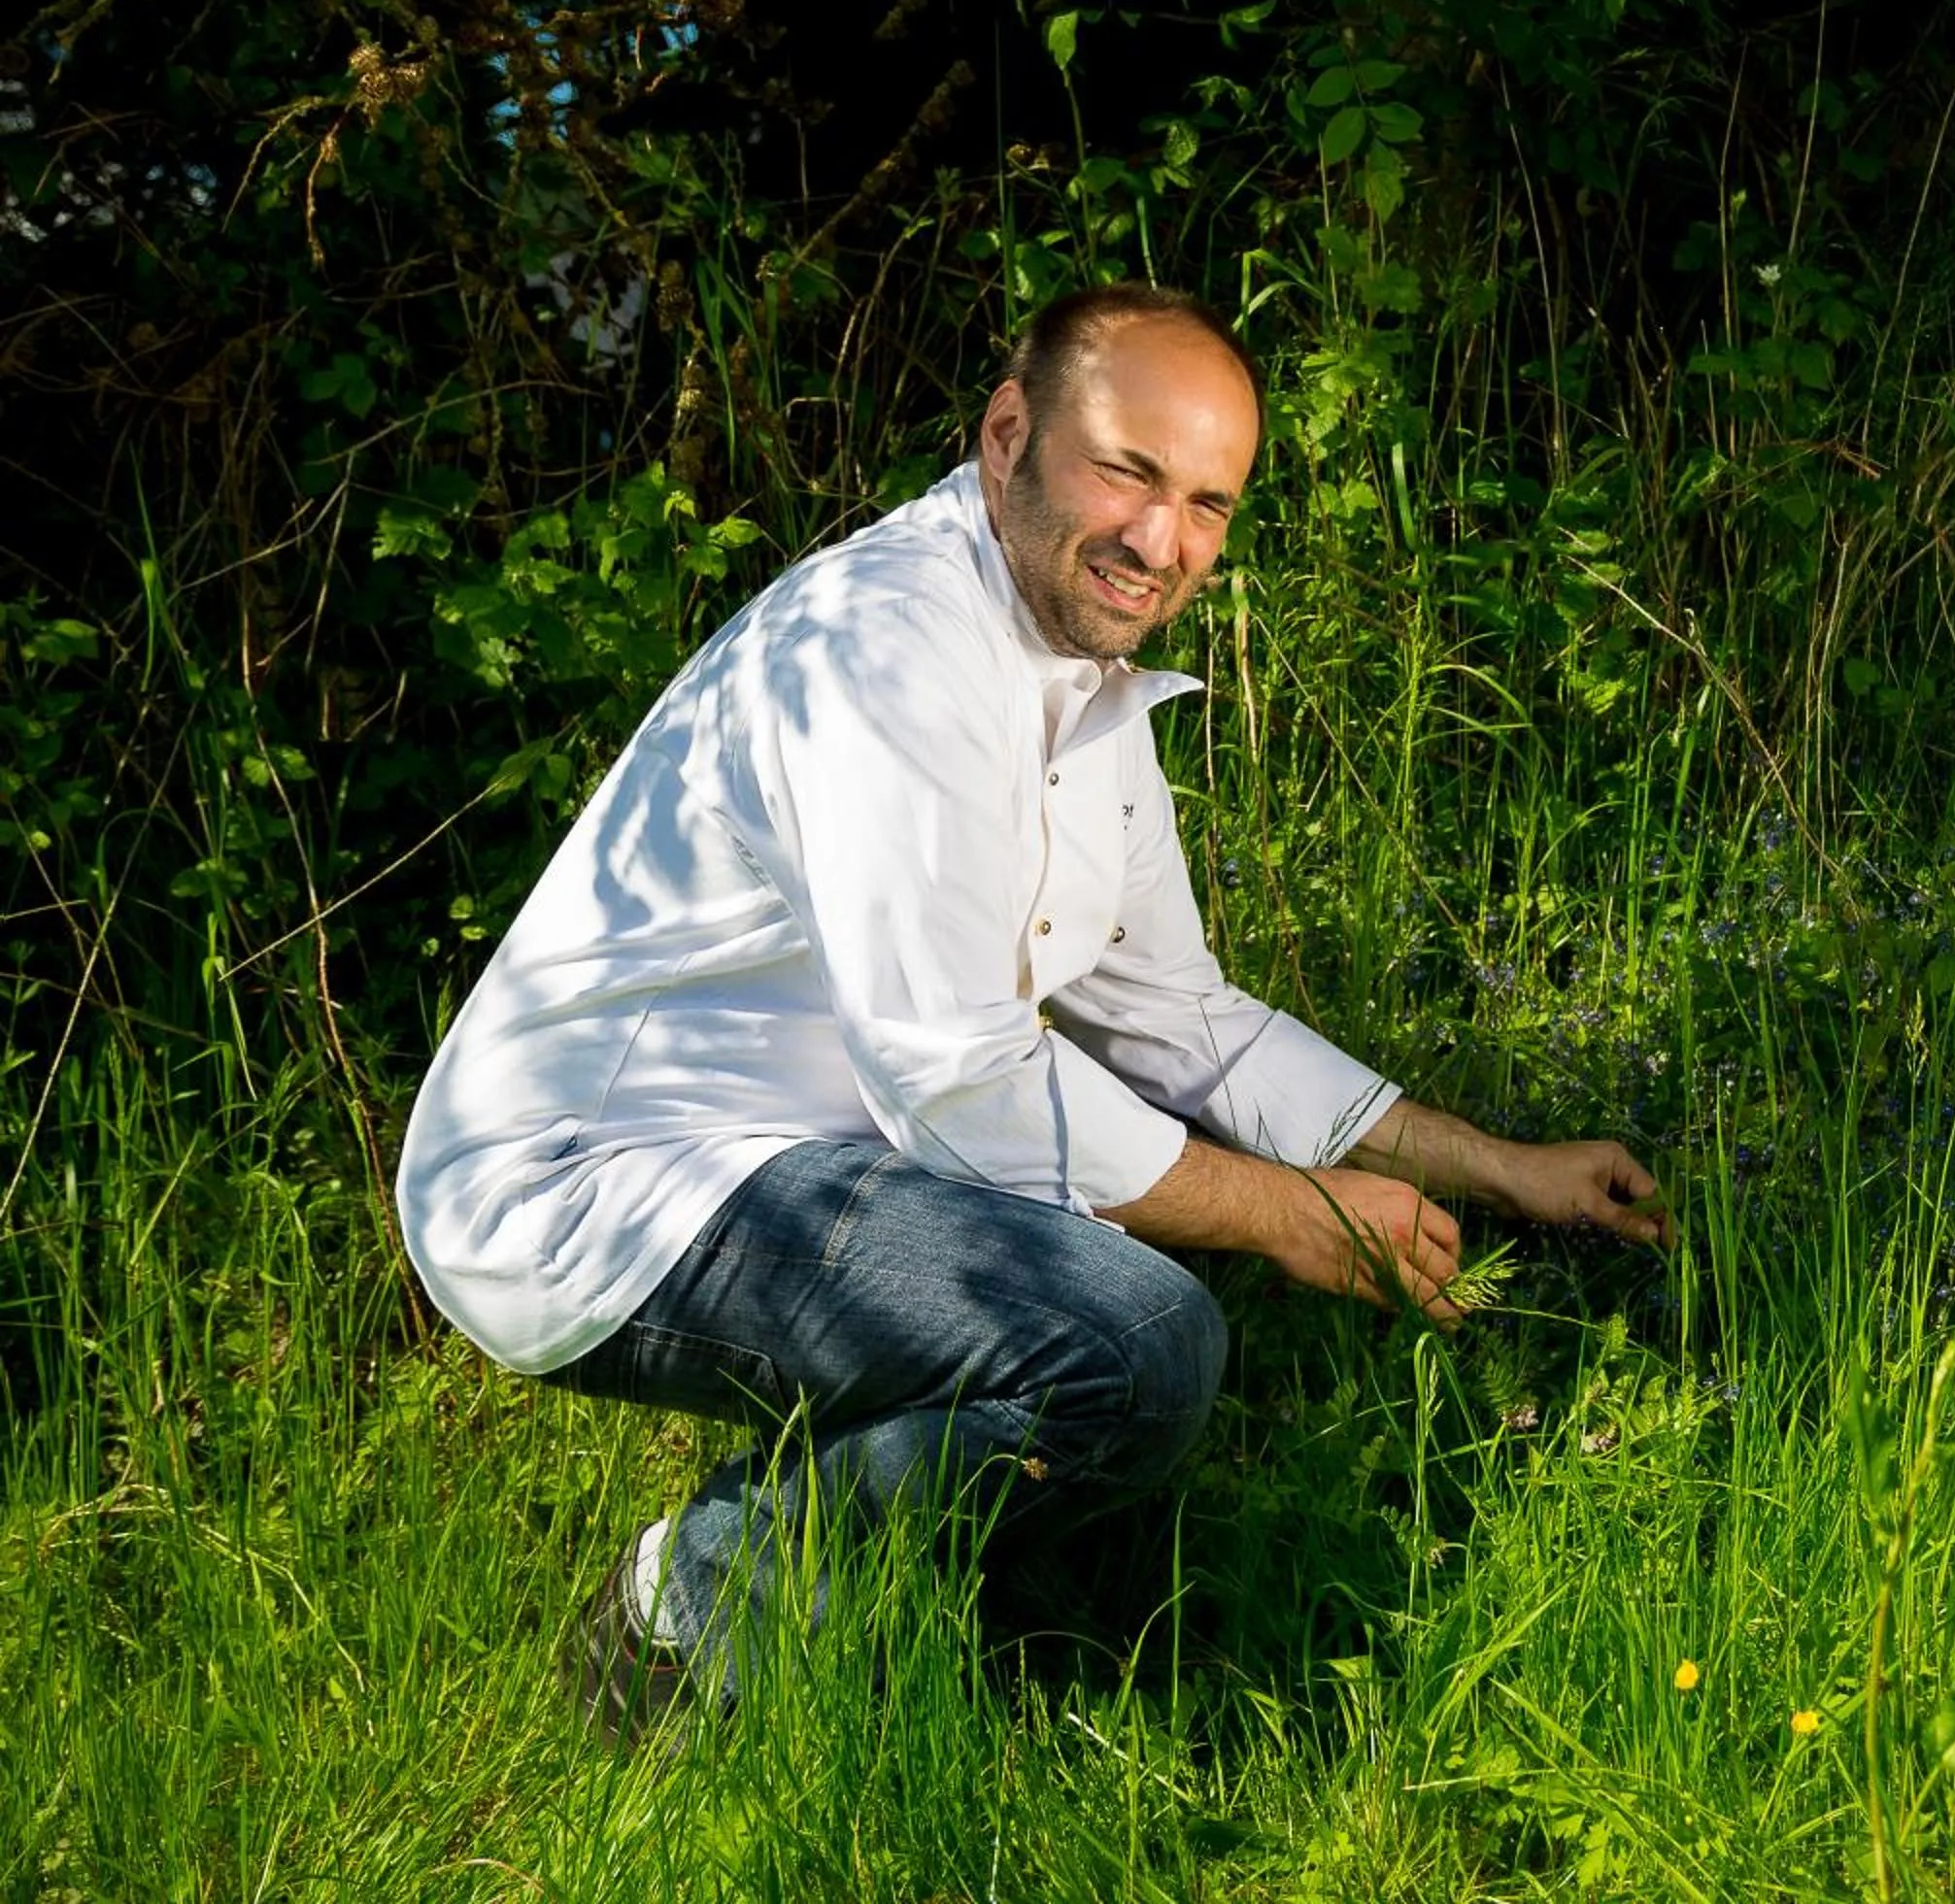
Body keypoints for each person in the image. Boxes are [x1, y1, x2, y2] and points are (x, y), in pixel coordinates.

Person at [394, 282, 1670, 1745]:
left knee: (1117, 1315)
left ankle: (854, 1609)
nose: (1164, 541)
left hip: (794, 1157)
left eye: (1208, 503)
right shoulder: (892, 650)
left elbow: (1178, 1016)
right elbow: (960, 1082)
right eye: (1128, 471)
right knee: (1128, 1340)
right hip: (587, 1181)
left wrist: (1500, 1165)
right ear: (1010, 434)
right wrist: (1288, 1210)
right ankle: (693, 1609)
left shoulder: (1071, 664)